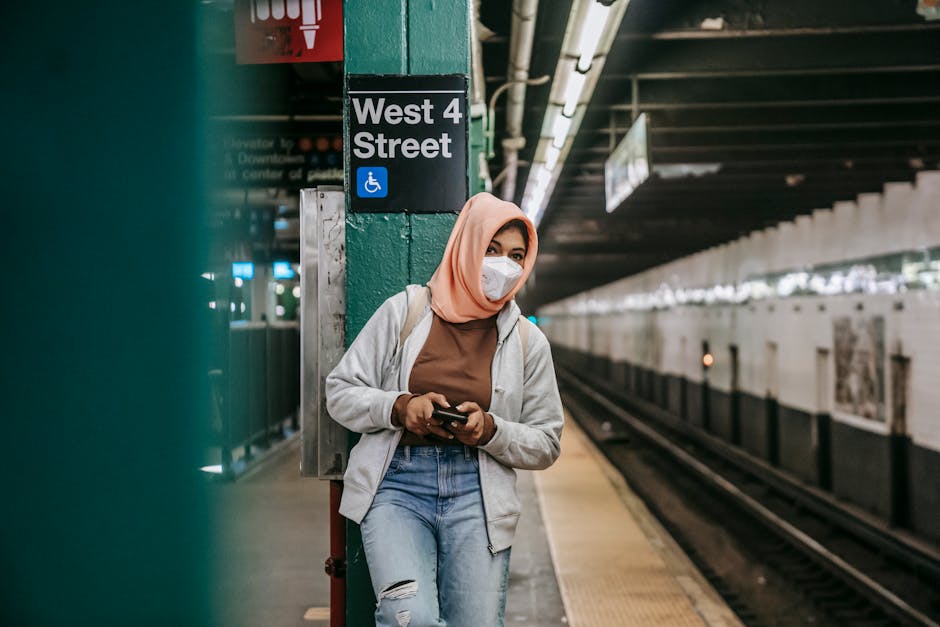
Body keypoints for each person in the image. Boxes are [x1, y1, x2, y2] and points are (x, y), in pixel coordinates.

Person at [326, 192, 564, 627]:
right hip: (398, 486)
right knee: (409, 618)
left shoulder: (529, 343)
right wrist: (400, 407)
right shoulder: (407, 311)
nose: (502, 265)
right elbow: (340, 391)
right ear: (467, 244)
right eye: (491, 249)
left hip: (478, 493)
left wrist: (490, 430)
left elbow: (547, 442)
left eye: (516, 255)